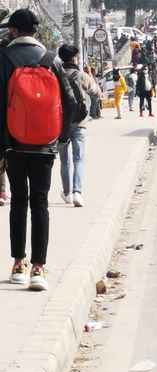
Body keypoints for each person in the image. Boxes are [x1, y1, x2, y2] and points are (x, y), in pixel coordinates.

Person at [0, 9, 77, 290]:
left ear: (14, 31)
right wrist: (61, 137)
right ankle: (38, 268)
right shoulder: (52, 59)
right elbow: (71, 104)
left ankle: (18, 263)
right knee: (41, 203)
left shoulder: (4, 58)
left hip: (14, 146)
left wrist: (2, 149)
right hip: (45, 146)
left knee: (18, 201)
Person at [57, 44, 100, 208]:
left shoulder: (55, 75)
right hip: (80, 122)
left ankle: (67, 192)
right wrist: (90, 75)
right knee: (78, 159)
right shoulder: (81, 76)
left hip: (61, 124)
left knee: (64, 160)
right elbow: (97, 93)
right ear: (74, 58)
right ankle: (77, 192)